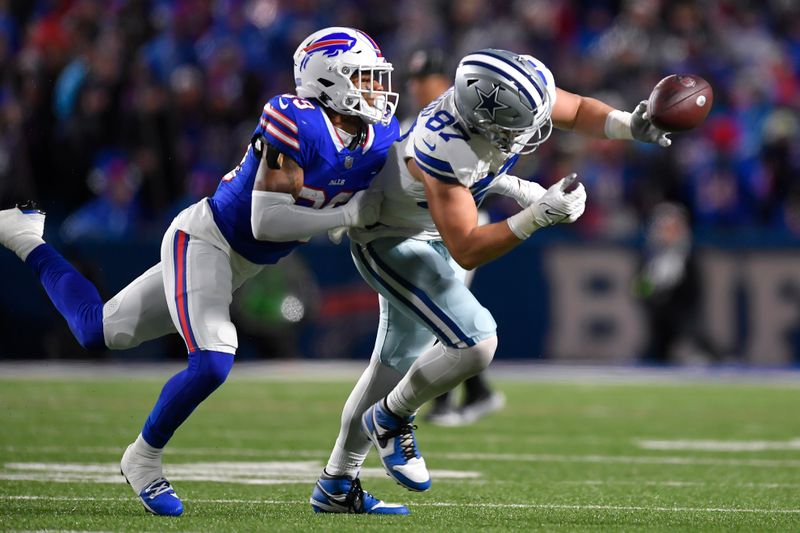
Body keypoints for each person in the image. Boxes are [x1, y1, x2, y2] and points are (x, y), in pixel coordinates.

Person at [0, 27, 407, 516]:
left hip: (242, 263)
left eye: (375, 78)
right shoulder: (296, 119)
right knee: (214, 357)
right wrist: (345, 216)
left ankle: (23, 237)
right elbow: (266, 217)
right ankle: (142, 458)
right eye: (362, 77)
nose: (375, 89)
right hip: (205, 239)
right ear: (326, 80)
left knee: (98, 330)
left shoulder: (380, 132)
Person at [314, 48, 672, 511]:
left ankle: (336, 485)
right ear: (486, 119)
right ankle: (391, 418)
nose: (534, 132)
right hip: (392, 238)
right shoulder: (446, 146)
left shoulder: (500, 97)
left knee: (393, 363)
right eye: (521, 125)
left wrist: (630, 126)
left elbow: (578, 109)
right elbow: (465, 244)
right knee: (477, 342)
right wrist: (535, 216)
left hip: (427, 228)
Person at [405, 48, 505, 426]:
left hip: (462, 221)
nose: (417, 87)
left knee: (442, 308)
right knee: (439, 310)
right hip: (425, 227)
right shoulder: (411, 121)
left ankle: (447, 401)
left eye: (424, 79)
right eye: (414, 80)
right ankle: (478, 393)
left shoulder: (467, 116)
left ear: (443, 81)